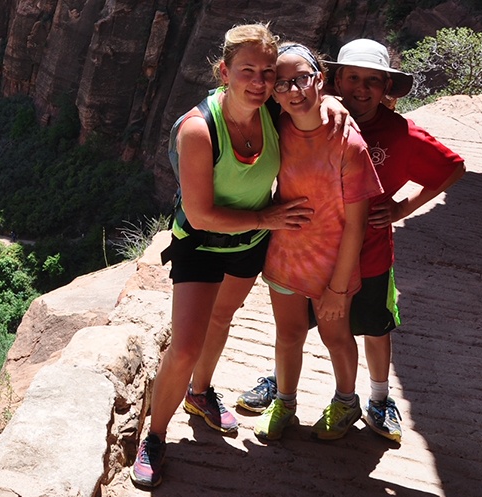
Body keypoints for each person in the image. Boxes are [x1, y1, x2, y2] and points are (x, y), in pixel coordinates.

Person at [130, 23, 352, 488]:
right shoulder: (199, 128)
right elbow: (203, 214)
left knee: (222, 319)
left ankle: (201, 393)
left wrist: (329, 102)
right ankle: (154, 436)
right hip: (202, 245)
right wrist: (266, 220)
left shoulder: (271, 112)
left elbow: (308, 100)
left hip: (248, 247)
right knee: (186, 345)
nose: (259, 82)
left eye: (268, 73)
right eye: (247, 70)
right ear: (223, 71)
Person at [238, 39, 465, 445]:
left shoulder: (390, 132)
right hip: (303, 253)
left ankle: (375, 398)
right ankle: (282, 388)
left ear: (386, 88)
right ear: (336, 80)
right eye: (353, 78)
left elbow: (451, 168)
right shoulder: (298, 116)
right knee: (296, 328)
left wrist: (402, 208)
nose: (362, 88)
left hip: (369, 252)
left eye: (373, 81)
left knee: (371, 327)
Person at [253, 43, 382, 441]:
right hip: (286, 255)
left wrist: (339, 289)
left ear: (320, 79)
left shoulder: (349, 142)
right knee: (288, 335)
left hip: (332, 262)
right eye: (283, 84)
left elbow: (356, 225)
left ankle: (346, 401)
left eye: (302, 79)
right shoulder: (278, 127)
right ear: (274, 93)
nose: (294, 91)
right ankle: (285, 403)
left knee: (335, 336)